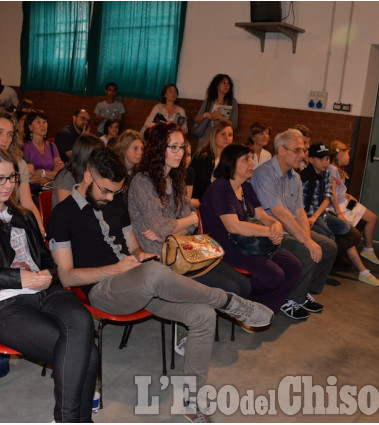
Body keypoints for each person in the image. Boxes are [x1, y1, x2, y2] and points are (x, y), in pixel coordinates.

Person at [48, 146, 273, 422]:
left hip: (138, 281)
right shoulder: (63, 214)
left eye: (115, 192)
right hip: (102, 290)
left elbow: (132, 248)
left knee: (202, 315)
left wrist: (139, 256)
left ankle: (192, 400)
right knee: (154, 274)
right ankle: (227, 301)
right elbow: (67, 276)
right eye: (105, 191)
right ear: (87, 176)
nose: (110, 198)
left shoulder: (117, 201)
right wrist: (117, 268)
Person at [0, 146, 99, 422]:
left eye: (12, 177)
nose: (8, 185)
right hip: (4, 304)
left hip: (45, 292)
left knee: (83, 324)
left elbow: (46, 259)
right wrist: (15, 277)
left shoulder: (24, 216)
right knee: (87, 355)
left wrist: (49, 273)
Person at [128, 122, 253, 327]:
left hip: (184, 248)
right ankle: (192, 328)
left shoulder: (175, 177)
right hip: (159, 254)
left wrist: (182, 223)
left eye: (182, 147)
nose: (181, 153)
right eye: (174, 147)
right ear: (159, 149)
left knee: (244, 285)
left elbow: (187, 219)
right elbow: (165, 226)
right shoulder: (143, 181)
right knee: (232, 287)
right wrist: (185, 222)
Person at [201, 144, 301, 313]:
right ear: (231, 162)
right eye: (245, 159)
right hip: (226, 246)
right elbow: (233, 226)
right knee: (274, 276)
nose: (252, 164)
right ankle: (246, 305)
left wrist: (276, 225)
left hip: (249, 242)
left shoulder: (246, 187)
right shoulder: (220, 189)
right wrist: (269, 232)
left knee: (294, 266)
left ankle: (264, 308)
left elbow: (262, 215)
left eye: (251, 159)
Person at [251, 129, 338, 320]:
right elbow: (279, 213)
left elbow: (300, 213)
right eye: (297, 150)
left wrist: (307, 238)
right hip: (269, 232)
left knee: (329, 247)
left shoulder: (295, 177)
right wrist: (306, 242)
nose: (303, 155)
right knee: (307, 251)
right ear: (281, 151)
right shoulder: (264, 174)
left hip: (289, 229)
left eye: (304, 150)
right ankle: (289, 299)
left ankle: (302, 290)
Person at [299, 143, 379, 287]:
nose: (325, 162)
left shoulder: (325, 174)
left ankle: (335, 258)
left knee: (351, 232)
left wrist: (316, 216)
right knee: (330, 239)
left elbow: (328, 196)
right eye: (321, 159)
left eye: (327, 159)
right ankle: (318, 272)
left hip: (319, 214)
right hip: (306, 217)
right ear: (311, 159)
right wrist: (312, 218)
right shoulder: (305, 177)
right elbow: (301, 205)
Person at [329, 140, 379, 265]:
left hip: (346, 201)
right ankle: (355, 263)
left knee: (372, 218)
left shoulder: (338, 169)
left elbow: (339, 190)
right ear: (340, 154)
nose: (349, 157)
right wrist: (339, 214)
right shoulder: (331, 169)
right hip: (339, 207)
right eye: (347, 153)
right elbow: (332, 194)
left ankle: (368, 249)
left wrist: (349, 195)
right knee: (351, 233)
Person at [51, 133, 102, 207]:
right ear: (86, 156)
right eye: (98, 155)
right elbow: (66, 209)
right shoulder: (66, 176)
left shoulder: (95, 172)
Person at [190, 119, 233, 202]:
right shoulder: (203, 156)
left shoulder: (230, 158)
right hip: (200, 200)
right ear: (214, 135)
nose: (227, 138)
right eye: (223, 134)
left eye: (230, 135)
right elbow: (201, 185)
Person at [22, 110, 64, 189]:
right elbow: (29, 178)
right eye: (38, 122)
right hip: (32, 191)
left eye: (44, 122)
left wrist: (41, 172)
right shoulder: (24, 147)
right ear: (30, 127)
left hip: (50, 189)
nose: (42, 125)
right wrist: (52, 174)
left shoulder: (52, 145)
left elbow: (60, 172)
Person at [193, 74, 239, 142]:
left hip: (223, 139)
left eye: (228, 84)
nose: (226, 86)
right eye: (224, 83)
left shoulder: (233, 102)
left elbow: (234, 125)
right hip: (206, 138)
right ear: (217, 85)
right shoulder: (209, 100)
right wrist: (206, 115)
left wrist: (221, 118)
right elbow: (196, 119)